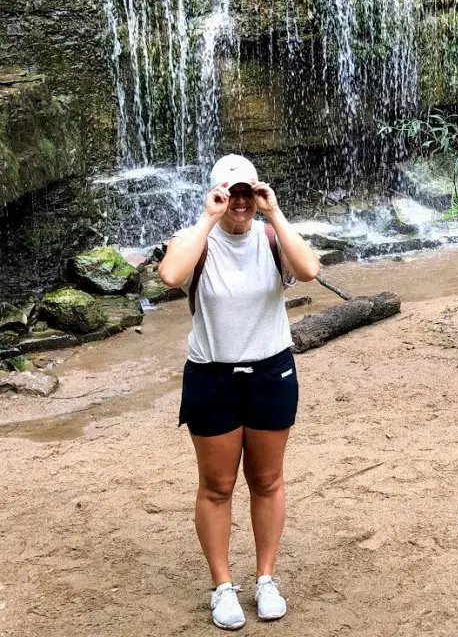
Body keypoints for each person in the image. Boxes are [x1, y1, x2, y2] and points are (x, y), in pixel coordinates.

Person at [159, 154, 321, 630]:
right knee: (217, 487)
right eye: (232, 194)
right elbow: (170, 276)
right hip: (212, 376)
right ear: (216, 195)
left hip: (271, 371)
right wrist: (208, 217)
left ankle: (266, 578)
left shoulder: (272, 239)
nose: (240, 204)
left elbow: (309, 270)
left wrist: (275, 213)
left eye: (247, 193)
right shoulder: (195, 242)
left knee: (267, 481)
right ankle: (222, 585)